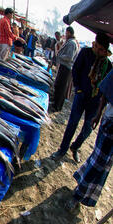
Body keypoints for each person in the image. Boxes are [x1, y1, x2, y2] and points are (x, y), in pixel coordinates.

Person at [51, 32, 112, 163]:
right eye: (98, 48)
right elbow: (75, 70)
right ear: (95, 45)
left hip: (95, 102)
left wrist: (100, 106)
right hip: (81, 95)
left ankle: (75, 146)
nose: (100, 52)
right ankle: (62, 149)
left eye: (103, 50)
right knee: (72, 123)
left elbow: (106, 87)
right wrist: (78, 89)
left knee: (88, 129)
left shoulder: (108, 65)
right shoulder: (86, 53)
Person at [64, 69, 113, 214]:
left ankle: (81, 181)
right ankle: (78, 195)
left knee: (104, 164)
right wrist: (98, 116)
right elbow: (105, 92)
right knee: (99, 163)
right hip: (110, 124)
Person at [51, 27, 79, 112]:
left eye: (66, 33)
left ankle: (57, 106)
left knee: (62, 87)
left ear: (69, 33)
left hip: (66, 68)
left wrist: (60, 56)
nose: (65, 35)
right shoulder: (70, 42)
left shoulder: (72, 43)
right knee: (59, 85)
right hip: (64, 67)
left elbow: (69, 57)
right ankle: (55, 103)